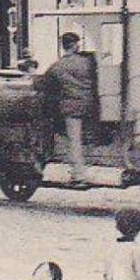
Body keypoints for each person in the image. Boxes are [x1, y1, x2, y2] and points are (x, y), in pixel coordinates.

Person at [37, 32, 100, 188]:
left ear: (64, 46)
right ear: (76, 45)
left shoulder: (58, 66)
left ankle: (78, 174)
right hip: (92, 106)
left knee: (74, 140)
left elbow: (44, 85)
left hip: (71, 109)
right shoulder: (88, 62)